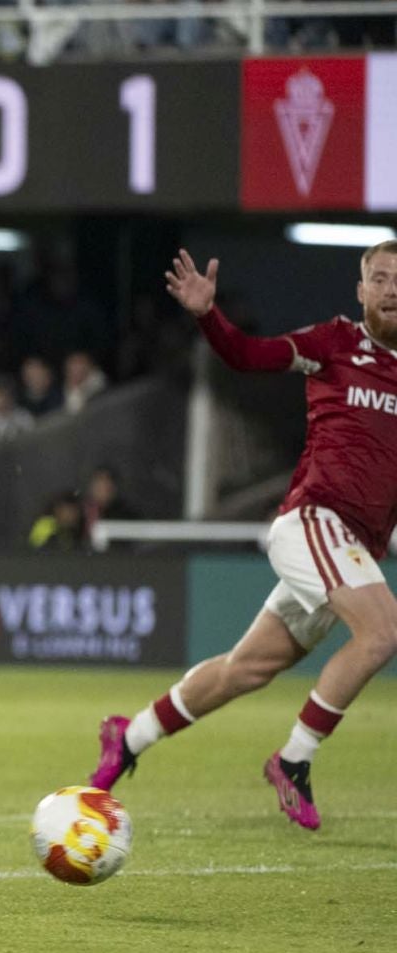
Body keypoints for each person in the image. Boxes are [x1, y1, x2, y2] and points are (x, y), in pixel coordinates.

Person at [90, 245, 397, 830]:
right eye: (378, 278)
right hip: (313, 523)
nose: (390, 289)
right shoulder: (334, 342)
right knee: (382, 632)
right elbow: (248, 356)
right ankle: (293, 761)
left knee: (245, 670)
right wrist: (210, 316)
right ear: (360, 291)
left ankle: (128, 737)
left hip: (351, 549)